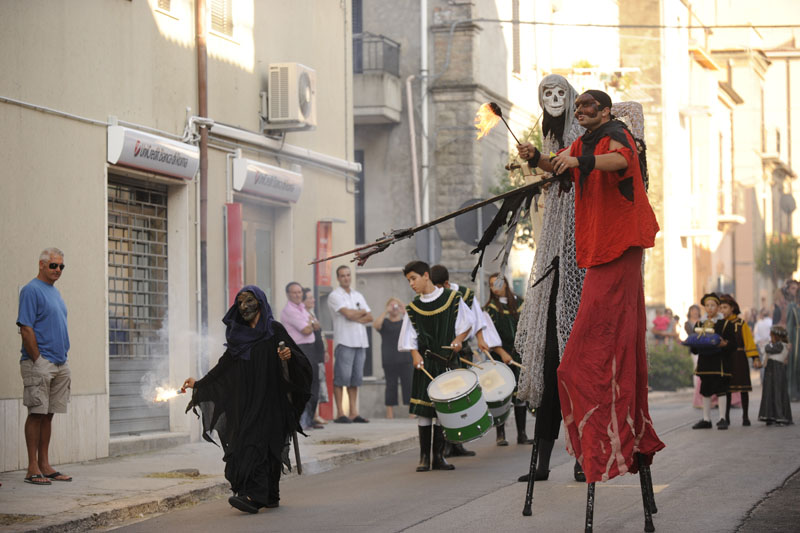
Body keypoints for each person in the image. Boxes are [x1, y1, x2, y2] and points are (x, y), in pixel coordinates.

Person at [518, 89, 665, 484]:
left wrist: (579, 159)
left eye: (587, 107)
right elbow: (561, 166)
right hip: (599, 247)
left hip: (620, 243)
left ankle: (609, 419)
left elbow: (619, 160)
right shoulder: (583, 142)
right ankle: (596, 425)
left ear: (604, 111)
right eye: (578, 107)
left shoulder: (617, 133)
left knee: (591, 348)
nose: (580, 111)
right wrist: (538, 159)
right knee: (578, 357)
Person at [514, 74, 587, 484]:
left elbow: (569, 169)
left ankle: (582, 458)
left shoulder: (581, 140)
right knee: (547, 373)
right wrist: (536, 161)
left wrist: (545, 163)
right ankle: (540, 464)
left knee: (576, 374)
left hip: (578, 260)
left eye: (562, 94)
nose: (555, 100)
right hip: (553, 260)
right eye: (548, 94)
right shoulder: (548, 136)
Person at [182, 286, 312, 513]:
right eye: (240, 303)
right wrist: (200, 384)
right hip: (248, 402)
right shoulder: (238, 335)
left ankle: (256, 496)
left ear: (260, 303)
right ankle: (269, 495)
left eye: (249, 301)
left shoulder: (274, 330)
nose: (244, 307)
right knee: (250, 442)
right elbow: (224, 367)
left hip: (272, 400)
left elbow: (298, 359)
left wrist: (288, 356)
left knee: (266, 444)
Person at [398, 261, 472, 472]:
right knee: (424, 410)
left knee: (443, 410)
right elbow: (409, 336)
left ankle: (438, 457)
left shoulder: (452, 299)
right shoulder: (413, 307)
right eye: (409, 280)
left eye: (414, 278)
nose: (411, 284)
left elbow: (467, 323)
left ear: (426, 276)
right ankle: (424, 458)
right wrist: (414, 353)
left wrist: (458, 340)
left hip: (447, 361)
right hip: (426, 362)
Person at [17, 247, 73, 485]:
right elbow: (26, 328)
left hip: (59, 363)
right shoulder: (31, 290)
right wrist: (38, 359)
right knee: (36, 413)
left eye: (61, 266)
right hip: (39, 363)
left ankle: (45, 464)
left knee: (48, 415)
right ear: (41, 265)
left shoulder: (55, 292)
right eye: (53, 265)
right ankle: (31, 468)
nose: (58, 270)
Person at [429, 264, 484, 457]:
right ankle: (445, 445)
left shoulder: (464, 294)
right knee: (445, 398)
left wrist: (480, 340)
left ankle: (458, 443)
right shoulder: (433, 296)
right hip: (441, 352)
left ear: (446, 283)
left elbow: (476, 319)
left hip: (460, 351)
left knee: (460, 396)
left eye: (439, 286)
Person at [483, 273, 535, 448]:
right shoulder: (490, 309)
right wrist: (501, 352)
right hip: (499, 357)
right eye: (491, 285)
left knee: (520, 395)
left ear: (505, 283)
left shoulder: (520, 303)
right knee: (502, 395)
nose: (494, 287)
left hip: (519, 354)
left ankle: (522, 434)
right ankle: (501, 434)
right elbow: (489, 336)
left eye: (496, 283)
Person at [328, 265, 373, 423]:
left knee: (355, 379)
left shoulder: (357, 294)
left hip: (360, 342)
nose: (346, 278)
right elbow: (347, 314)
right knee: (341, 378)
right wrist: (358, 313)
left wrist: (355, 315)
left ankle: (354, 412)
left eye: (348, 275)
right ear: (338, 278)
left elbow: (370, 317)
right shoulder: (335, 295)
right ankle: (340, 413)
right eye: (342, 275)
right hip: (345, 341)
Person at [281, 282, 323, 431]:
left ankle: (309, 419)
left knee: (314, 384)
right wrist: (311, 324)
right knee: (303, 384)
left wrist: (311, 324)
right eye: (295, 293)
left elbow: (316, 325)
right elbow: (306, 329)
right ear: (288, 294)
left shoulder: (303, 309)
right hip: (300, 349)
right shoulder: (289, 311)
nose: (298, 295)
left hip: (311, 349)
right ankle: (302, 420)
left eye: (300, 292)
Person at [690, 293, 734, 429]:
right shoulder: (699, 324)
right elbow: (694, 347)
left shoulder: (725, 324)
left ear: (718, 307)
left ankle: (722, 418)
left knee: (721, 389)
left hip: (719, 362)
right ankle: (706, 419)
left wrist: (724, 344)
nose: (710, 308)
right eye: (707, 306)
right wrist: (695, 345)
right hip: (705, 362)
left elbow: (734, 344)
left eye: (713, 305)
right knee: (705, 390)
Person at [718, 294, 761, 426]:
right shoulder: (721, 324)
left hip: (739, 357)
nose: (722, 310)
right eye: (721, 308)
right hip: (726, 358)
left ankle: (745, 416)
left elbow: (748, 341)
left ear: (732, 308)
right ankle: (726, 417)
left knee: (743, 388)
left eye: (725, 307)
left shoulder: (741, 323)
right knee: (727, 389)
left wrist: (755, 357)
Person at [374, 297, 412, 419]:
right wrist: (386, 311)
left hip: (406, 358)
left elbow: (415, 324)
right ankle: (389, 413)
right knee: (390, 385)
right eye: (392, 305)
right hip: (389, 359)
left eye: (396, 306)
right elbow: (376, 325)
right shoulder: (384, 323)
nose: (394, 308)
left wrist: (404, 309)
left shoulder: (405, 322)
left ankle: (412, 413)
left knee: (408, 385)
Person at [303, 288, 329, 425]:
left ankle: (315, 414)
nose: (313, 300)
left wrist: (325, 350)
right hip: (310, 352)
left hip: (318, 352)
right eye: (309, 298)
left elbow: (321, 334)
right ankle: (311, 416)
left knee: (319, 383)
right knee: (312, 384)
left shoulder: (312, 314)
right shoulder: (303, 315)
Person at [758, 325, 793, 426]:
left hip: (776, 370)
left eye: (771, 336)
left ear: (776, 337)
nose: (770, 338)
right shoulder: (779, 345)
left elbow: (768, 349)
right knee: (769, 392)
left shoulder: (780, 345)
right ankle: (770, 415)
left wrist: (765, 346)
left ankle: (780, 416)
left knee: (777, 393)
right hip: (771, 370)